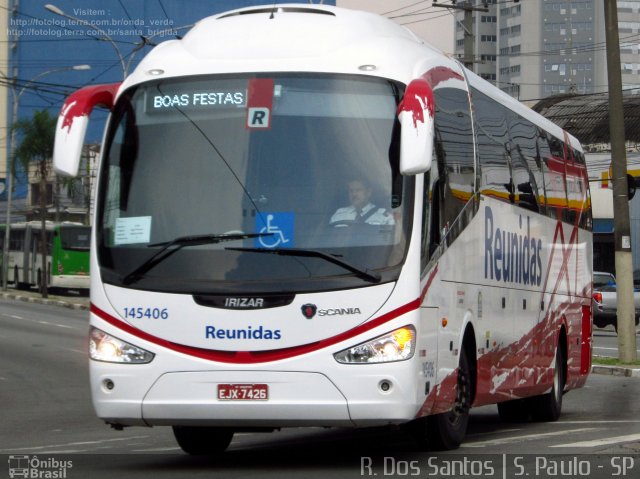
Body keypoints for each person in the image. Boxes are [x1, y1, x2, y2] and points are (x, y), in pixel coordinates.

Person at [329, 179, 394, 226]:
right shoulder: (339, 214)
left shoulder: (384, 217)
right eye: (351, 191)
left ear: (368, 192)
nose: (354, 194)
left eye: (358, 190)